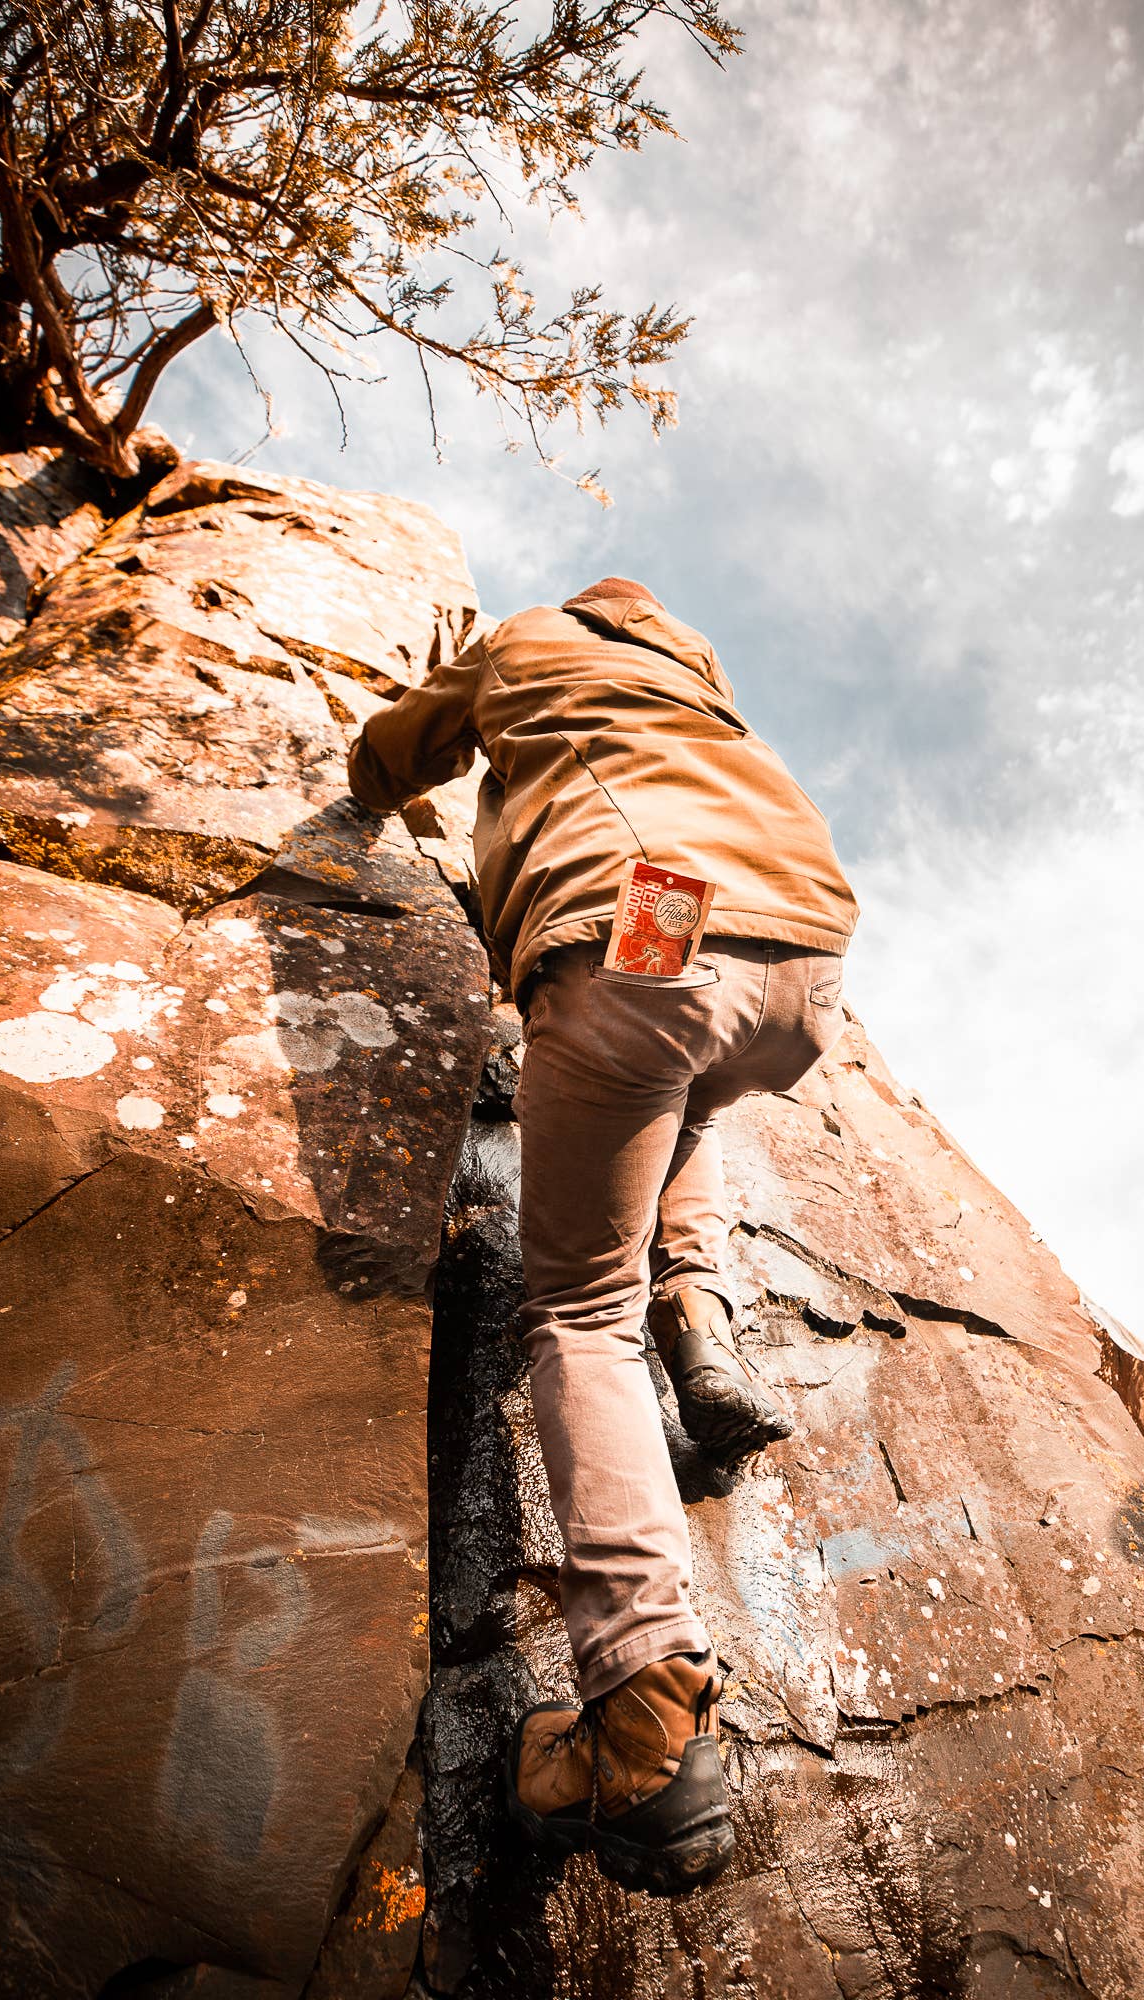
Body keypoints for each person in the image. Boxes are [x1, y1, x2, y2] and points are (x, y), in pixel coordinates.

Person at [347, 577, 858, 1895]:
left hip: (652, 908)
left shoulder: (524, 642)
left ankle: (638, 1707)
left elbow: (394, 751)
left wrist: (373, 786)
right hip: (798, 955)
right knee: (678, 1078)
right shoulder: (693, 668)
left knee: (574, 1306)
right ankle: (696, 1305)